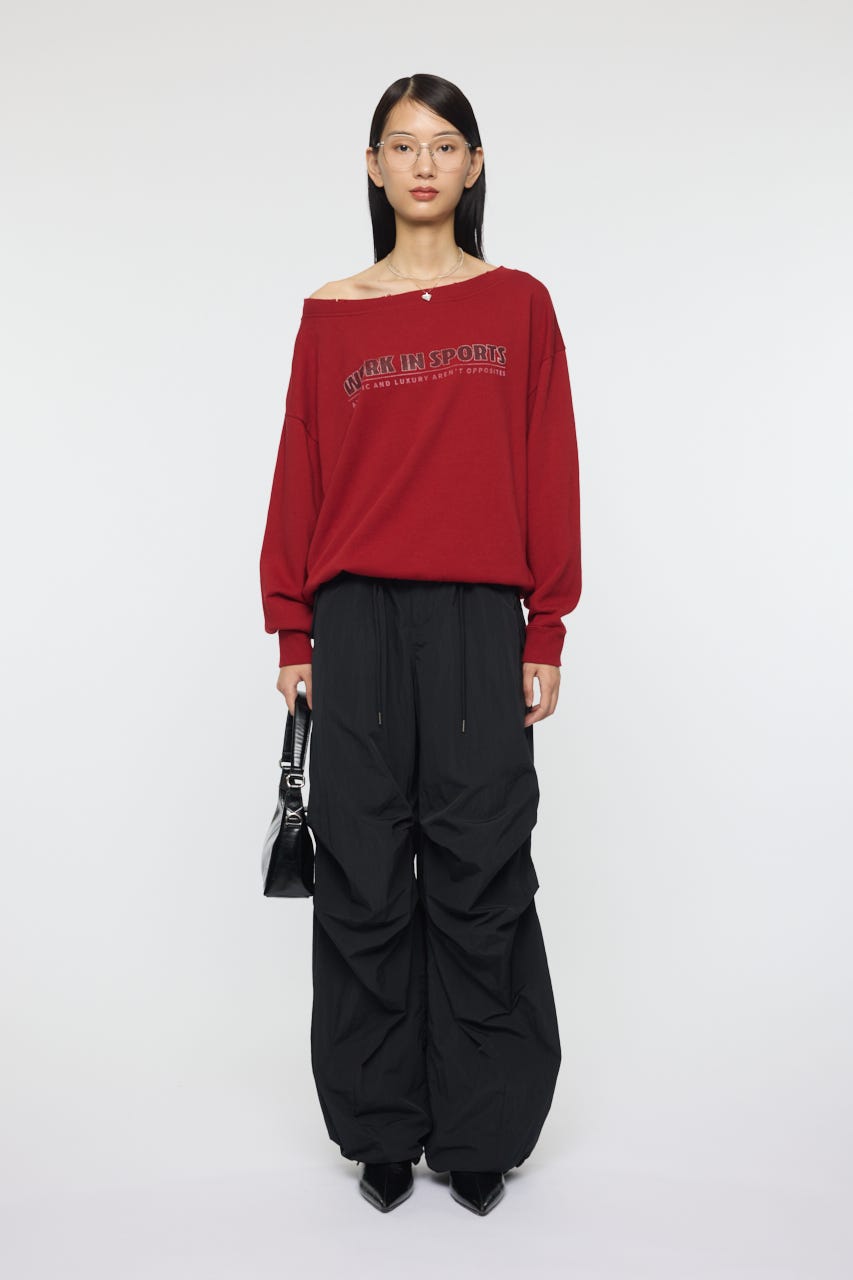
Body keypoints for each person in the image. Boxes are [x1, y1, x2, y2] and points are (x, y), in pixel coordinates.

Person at [259, 72, 582, 1216]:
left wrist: (546, 621)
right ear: (373, 167)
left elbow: (547, 460)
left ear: (475, 165)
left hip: (476, 618)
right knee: (360, 869)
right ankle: (381, 1125)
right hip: (354, 618)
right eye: (402, 145)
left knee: (480, 864)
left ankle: (481, 1128)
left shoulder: (519, 306)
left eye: (445, 144)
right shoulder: (330, 313)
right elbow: (301, 466)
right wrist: (292, 623)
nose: (425, 164)